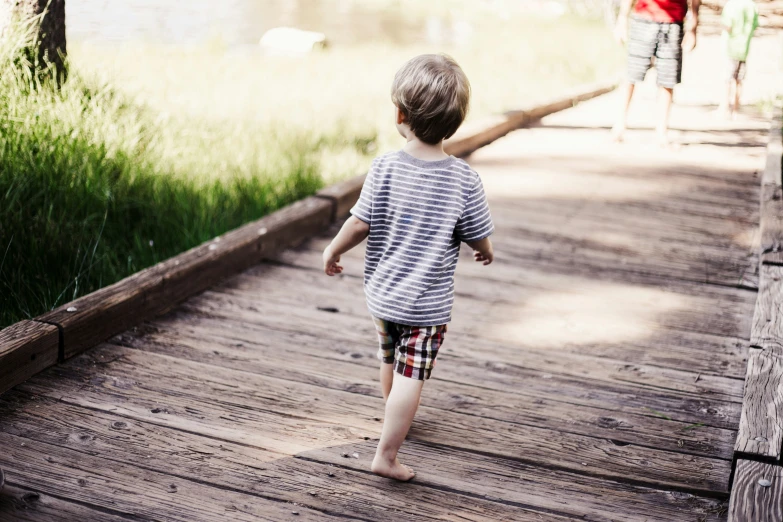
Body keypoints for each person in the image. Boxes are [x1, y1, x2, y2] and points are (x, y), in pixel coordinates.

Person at [322, 54, 494, 481]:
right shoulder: (464, 180)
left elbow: (359, 222)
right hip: (427, 306)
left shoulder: (384, 167)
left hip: (383, 295)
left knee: (389, 356)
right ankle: (388, 452)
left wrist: (332, 250)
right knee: (412, 374)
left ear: (400, 114)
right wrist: (484, 249)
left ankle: (393, 413)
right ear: (454, 123)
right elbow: (476, 232)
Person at [612, 0, 701, 145]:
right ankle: (619, 125)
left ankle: (661, 132)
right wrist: (622, 19)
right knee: (631, 75)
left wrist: (693, 28)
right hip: (643, 19)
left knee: (668, 79)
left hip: (674, 21)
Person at [718, 0, 759, 117]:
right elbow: (755, 25)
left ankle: (724, 107)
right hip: (744, 49)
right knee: (739, 80)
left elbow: (728, 25)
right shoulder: (752, 6)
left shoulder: (731, 5)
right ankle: (735, 109)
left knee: (727, 79)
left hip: (730, 47)